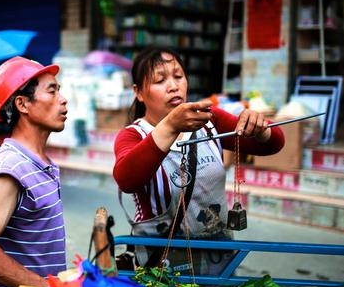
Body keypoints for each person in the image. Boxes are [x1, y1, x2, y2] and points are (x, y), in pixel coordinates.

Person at [113, 48, 285, 274]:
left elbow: (273, 144)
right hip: (162, 263)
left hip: (218, 256)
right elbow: (127, 180)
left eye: (178, 76)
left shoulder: (209, 120)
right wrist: (170, 126)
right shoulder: (133, 135)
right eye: (160, 80)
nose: (173, 86)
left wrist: (259, 128)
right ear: (139, 92)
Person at [0, 56, 68, 287]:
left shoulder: (39, 162)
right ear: (23, 104)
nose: (63, 99)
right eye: (52, 91)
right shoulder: (10, 169)